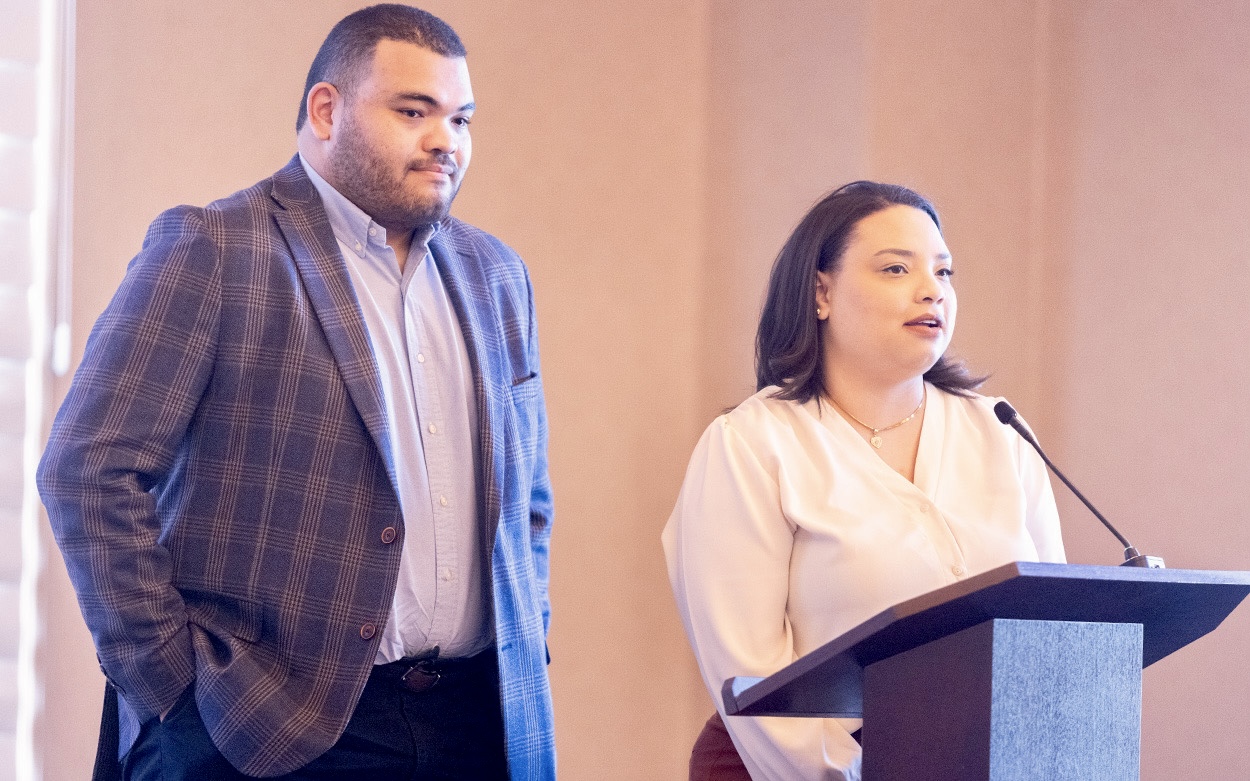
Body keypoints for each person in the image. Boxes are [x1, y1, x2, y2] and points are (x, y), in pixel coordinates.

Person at [37, 5, 554, 779]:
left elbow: (528, 502)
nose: (445, 139)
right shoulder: (214, 248)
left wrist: (528, 634)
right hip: (265, 731)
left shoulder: (497, 276)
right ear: (325, 110)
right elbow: (86, 471)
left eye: (460, 118)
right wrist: (173, 694)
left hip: (479, 726)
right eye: (414, 111)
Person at [662, 181, 1065, 781]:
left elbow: (1057, 634)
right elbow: (750, 677)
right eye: (896, 268)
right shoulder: (754, 443)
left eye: (944, 272)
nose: (932, 290)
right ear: (821, 292)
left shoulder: (1000, 432)